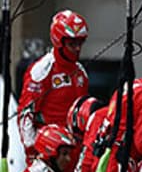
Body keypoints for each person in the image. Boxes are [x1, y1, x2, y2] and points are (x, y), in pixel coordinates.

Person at [18, 10, 89, 157]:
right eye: (72, 43)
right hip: (49, 153)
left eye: (80, 43)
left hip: (74, 152)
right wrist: (31, 151)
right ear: (58, 41)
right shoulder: (42, 70)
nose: (77, 48)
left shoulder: (81, 72)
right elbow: (26, 114)